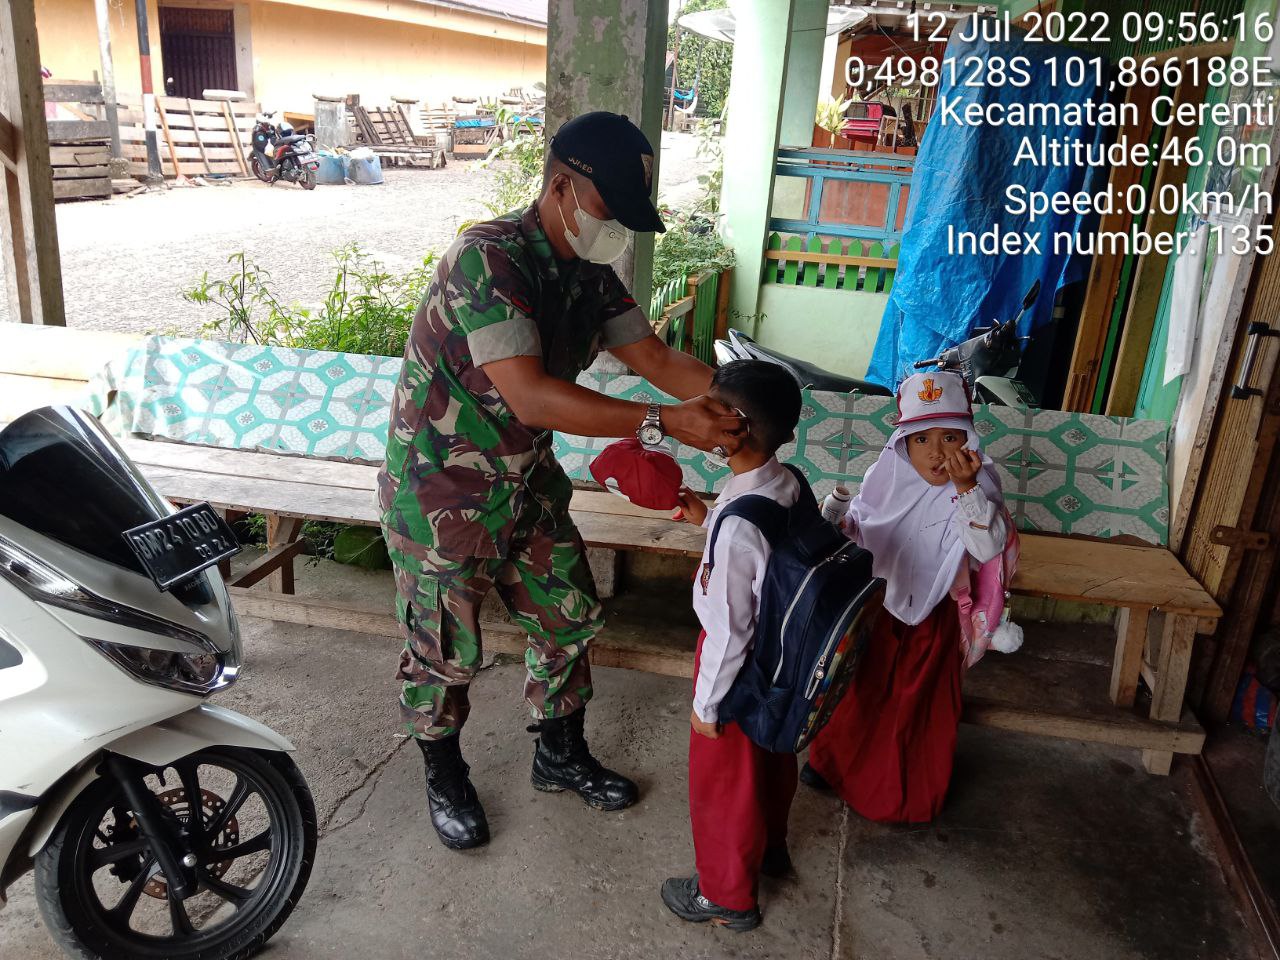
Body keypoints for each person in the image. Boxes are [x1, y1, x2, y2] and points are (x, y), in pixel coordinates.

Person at [378, 111, 747, 851]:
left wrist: (749, 398)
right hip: (442, 493)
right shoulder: (487, 261)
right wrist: (666, 425)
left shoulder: (586, 273)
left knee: (568, 613)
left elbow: (654, 358)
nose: (618, 230)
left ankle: (558, 752)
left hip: (525, 483)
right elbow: (533, 397)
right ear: (561, 189)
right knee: (446, 650)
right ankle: (445, 773)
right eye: (610, 208)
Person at [803, 370, 1013, 824]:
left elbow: (987, 547)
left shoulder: (980, 486)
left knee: (909, 704)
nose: (937, 453)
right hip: (876, 605)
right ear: (903, 444)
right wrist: (839, 521)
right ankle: (831, 764)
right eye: (922, 439)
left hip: (930, 617)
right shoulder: (888, 474)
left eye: (951, 437)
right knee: (855, 687)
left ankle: (895, 798)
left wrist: (966, 491)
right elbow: (865, 522)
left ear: (970, 440)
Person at [659, 360, 803, 932]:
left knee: (725, 787)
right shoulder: (786, 482)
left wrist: (707, 705)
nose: (699, 414)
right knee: (771, 765)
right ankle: (771, 850)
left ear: (733, 427)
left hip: (736, 670)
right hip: (782, 660)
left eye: (710, 406)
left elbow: (729, 628)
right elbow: (768, 555)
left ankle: (725, 896)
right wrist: (709, 514)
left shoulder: (738, 525)